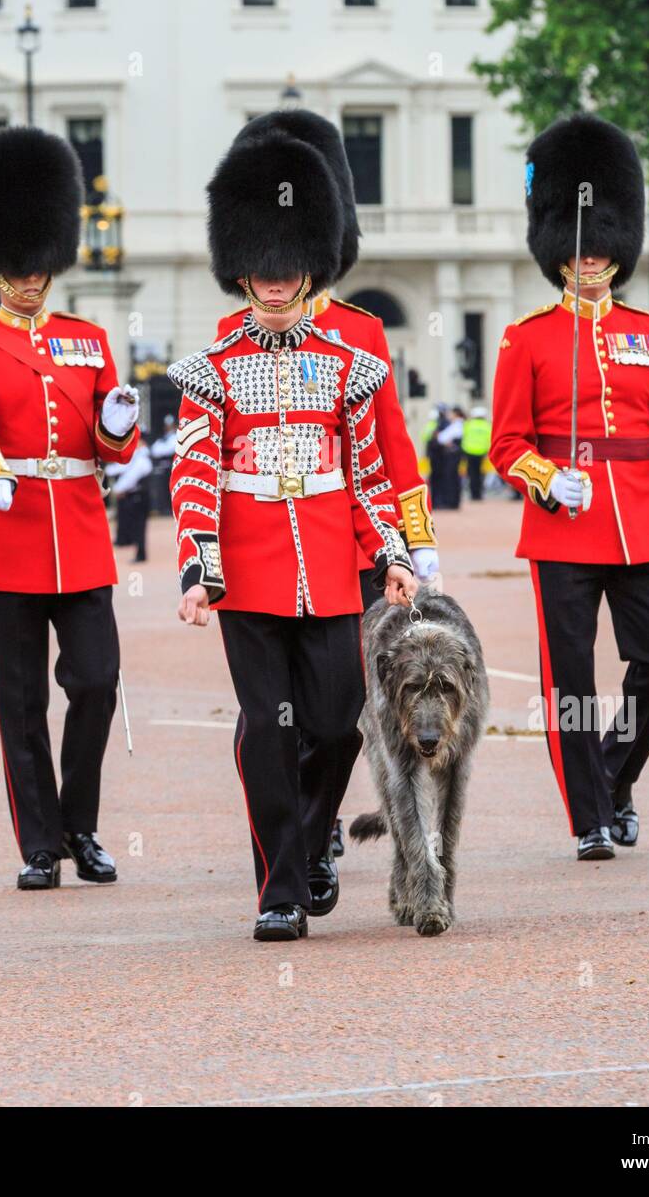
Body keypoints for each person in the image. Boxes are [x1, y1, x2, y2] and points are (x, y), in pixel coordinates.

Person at [169, 113, 418, 942]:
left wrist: (390, 550)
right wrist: (198, 566)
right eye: (260, 271)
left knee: (334, 719)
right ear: (242, 274)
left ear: (307, 266)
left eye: (287, 270)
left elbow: (368, 469)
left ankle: (312, 838)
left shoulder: (351, 361)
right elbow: (196, 469)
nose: (274, 283)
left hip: (327, 560)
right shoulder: (212, 367)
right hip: (246, 569)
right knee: (267, 729)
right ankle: (278, 886)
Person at [490, 113, 649, 861]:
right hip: (563, 524)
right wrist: (542, 477)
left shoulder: (647, 332)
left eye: (602, 247)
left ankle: (611, 775)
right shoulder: (524, 337)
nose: (589, 259)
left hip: (639, 516)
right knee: (570, 679)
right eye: (578, 247)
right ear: (555, 251)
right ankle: (588, 817)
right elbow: (504, 443)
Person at [212, 110, 439, 858]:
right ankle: (292, 841)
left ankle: (313, 817)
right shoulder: (232, 334)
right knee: (271, 709)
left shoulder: (364, 330)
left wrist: (413, 540)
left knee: (336, 708)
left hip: (351, 544)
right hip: (269, 541)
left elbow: (388, 448)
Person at [0, 126, 140, 891]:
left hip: (80, 535)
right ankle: (39, 842)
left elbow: (109, 445)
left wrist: (117, 425)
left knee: (94, 683)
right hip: (11, 532)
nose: (28, 279)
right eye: (14, 268)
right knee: (21, 703)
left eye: (37, 266)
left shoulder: (87, 341)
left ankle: (80, 823)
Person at [109, 431, 153, 563]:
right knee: (136, 525)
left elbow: (131, 478)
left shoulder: (142, 459)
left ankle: (141, 555)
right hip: (135, 496)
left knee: (140, 527)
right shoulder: (138, 457)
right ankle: (137, 551)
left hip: (139, 496)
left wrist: (117, 489)